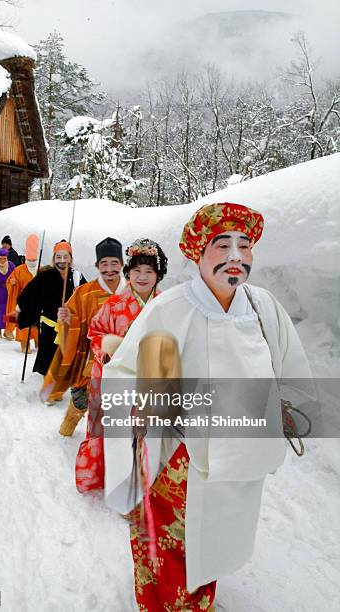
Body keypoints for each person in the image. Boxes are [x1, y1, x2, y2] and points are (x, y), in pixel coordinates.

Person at [101, 202, 313, 611]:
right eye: (222, 245)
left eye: (244, 245)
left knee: (216, 535)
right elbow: (128, 374)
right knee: (173, 540)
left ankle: (199, 596)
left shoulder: (262, 306)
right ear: (199, 251)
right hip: (183, 456)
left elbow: (291, 369)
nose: (236, 256)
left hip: (245, 455)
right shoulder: (172, 308)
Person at [75, 238, 168, 493]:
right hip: (115, 376)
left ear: (158, 275)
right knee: (116, 430)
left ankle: (145, 479)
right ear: (128, 273)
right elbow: (94, 332)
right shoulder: (114, 305)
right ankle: (118, 480)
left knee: (147, 430)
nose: (142, 276)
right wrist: (108, 347)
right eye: (136, 270)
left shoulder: (166, 306)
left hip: (150, 378)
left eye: (149, 271)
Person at [41, 237, 127, 436]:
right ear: (97, 265)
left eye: (114, 263)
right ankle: (66, 430)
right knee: (80, 403)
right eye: (104, 263)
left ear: (121, 264)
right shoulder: (84, 292)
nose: (109, 268)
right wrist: (66, 319)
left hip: (124, 360)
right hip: (92, 359)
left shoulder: (132, 289)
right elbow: (71, 318)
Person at [17, 241, 86, 382]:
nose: (62, 261)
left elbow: (87, 298)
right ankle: (49, 386)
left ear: (71, 258)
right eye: (58, 257)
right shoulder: (45, 276)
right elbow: (27, 296)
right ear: (54, 258)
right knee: (48, 358)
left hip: (68, 326)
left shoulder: (77, 277)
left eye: (65, 257)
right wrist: (31, 309)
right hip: (49, 326)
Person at [5, 234, 40, 353]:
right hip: (24, 301)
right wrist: (12, 283)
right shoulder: (19, 270)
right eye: (29, 260)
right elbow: (9, 281)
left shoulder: (41, 269)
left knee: (37, 324)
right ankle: (25, 344)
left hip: (37, 302)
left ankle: (37, 342)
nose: (31, 262)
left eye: (33, 260)